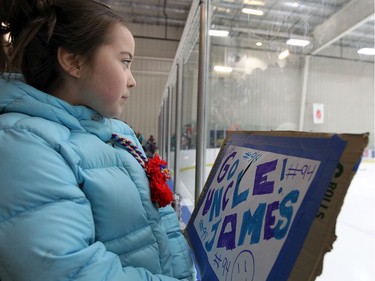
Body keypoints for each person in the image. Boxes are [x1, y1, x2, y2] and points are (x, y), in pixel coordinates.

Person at [0, 1, 196, 281]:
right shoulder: (21, 144)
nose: (132, 81)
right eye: (125, 62)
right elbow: (69, 270)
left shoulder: (117, 134)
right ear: (74, 61)